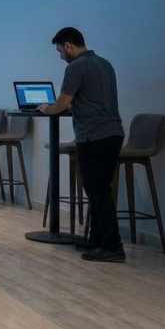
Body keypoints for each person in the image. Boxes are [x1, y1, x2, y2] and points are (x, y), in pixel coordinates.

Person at [38, 27, 125, 263]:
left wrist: (47, 108)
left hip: (93, 135)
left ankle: (112, 245)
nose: (60, 56)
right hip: (114, 133)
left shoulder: (75, 67)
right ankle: (96, 240)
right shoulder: (105, 64)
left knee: (97, 192)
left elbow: (62, 103)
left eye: (59, 50)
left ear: (68, 46)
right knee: (100, 190)